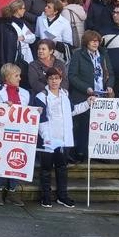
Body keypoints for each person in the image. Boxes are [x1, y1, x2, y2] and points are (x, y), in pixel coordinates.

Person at [33, 67, 95, 208]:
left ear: (61, 79)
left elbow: (72, 111)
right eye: (51, 78)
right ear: (47, 80)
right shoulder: (41, 97)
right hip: (48, 139)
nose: (54, 81)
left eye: (57, 78)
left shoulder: (65, 94)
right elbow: (41, 120)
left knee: (62, 168)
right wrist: (46, 138)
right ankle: (46, 196)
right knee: (46, 169)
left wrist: (88, 103)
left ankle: (62, 196)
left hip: (63, 139)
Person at [0, 63, 30, 206]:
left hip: (19, 133)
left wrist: (36, 111)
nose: (20, 78)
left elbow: (30, 111)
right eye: (16, 76)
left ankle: (12, 192)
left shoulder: (25, 93)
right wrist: (1, 107)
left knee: (16, 160)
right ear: (7, 77)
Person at [67, 30, 115, 163]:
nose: (95, 43)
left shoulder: (104, 54)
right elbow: (72, 76)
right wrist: (86, 88)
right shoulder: (78, 55)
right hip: (83, 96)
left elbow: (110, 73)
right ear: (86, 42)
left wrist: (109, 85)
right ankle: (80, 152)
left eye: (97, 41)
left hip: (102, 96)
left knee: (100, 125)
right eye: (92, 40)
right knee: (83, 126)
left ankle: (98, 153)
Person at [0, 0, 34, 85]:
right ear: (18, 10)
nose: (24, 11)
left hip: (26, 56)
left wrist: (23, 37)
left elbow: (32, 38)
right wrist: (24, 38)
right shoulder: (7, 24)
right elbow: (10, 41)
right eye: (23, 8)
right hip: (14, 56)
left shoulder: (23, 23)